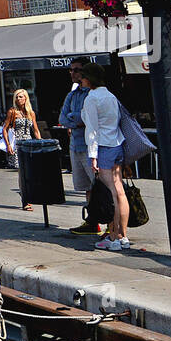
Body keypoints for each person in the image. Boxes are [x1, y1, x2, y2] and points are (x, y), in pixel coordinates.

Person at [81, 61, 129, 251]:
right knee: (119, 191)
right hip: (117, 143)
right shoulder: (110, 95)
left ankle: (114, 237)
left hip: (103, 146)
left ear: (88, 78)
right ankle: (122, 235)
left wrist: (93, 156)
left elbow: (92, 129)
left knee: (110, 194)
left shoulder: (92, 98)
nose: (81, 80)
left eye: (83, 76)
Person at [60, 58, 100, 236]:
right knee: (87, 187)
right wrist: (77, 118)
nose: (73, 73)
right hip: (75, 145)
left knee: (100, 186)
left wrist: (75, 118)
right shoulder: (72, 94)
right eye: (71, 70)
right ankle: (92, 221)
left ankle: (108, 222)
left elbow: (88, 118)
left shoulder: (92, 94)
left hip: (90, 145)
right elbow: (62, 119)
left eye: (76, 70)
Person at [3, 89, 42, 207]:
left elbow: (35, 130)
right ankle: (25, 200)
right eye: (16, 97)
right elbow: (5, 129)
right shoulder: (12, 112)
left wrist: (40, 143)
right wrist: (8, 144)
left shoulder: (30, 113)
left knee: (30, 172)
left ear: (26, 98)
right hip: (18, 143)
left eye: (21, 97)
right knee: (22, 172)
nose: (18, 99)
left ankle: (26, 193)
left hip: (29, 143)